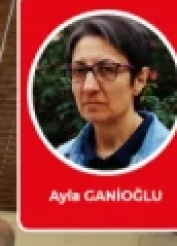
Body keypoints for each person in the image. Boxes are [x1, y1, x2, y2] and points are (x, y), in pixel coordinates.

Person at [56, 15, 171, 170]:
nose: (89, 87)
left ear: (140, 79)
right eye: (80, 70)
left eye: (107, 69)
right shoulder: (60, 158)